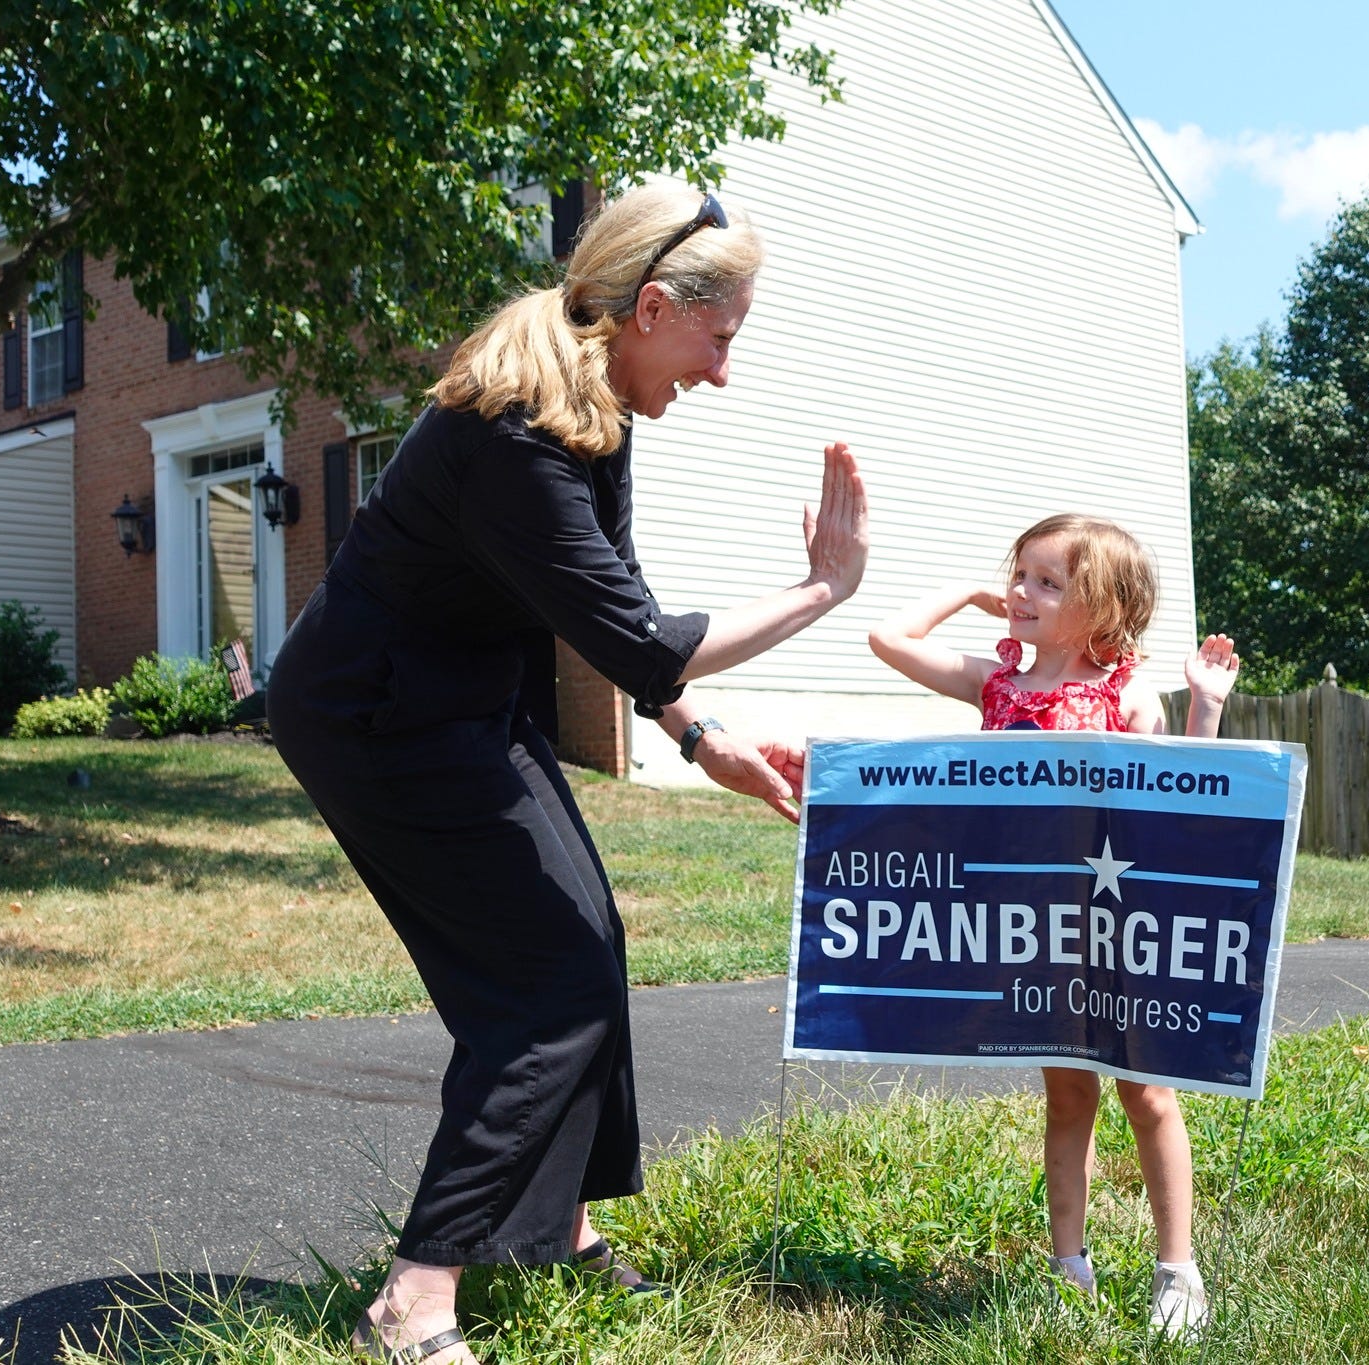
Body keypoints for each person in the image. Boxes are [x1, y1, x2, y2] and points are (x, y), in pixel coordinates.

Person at [267, 182, 868, 1365]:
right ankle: (414, 1298)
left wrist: (700, 740)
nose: (723, 369)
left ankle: (557, 1227)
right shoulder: (516, 435)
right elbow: (639, 640)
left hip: (459, 703)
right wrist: (821, 591)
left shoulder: (588, 413)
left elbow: (613, 614)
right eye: (721, 336)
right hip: (376, 718)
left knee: (586, 942)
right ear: (651, 308)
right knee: (544, 991)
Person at [867, 512, 1238, 1337]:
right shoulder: (995, 685)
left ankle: (1178, 1269)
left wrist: (1204, 708)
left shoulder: (1127, 695)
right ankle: (1069, 1267)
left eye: (1046, 582)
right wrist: (969, 594)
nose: (1020, 593)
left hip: (1118, 925)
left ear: (1101, 609)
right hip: (1035, 932)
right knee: (1068, 1095)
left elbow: (1184, 795)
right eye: (1018, 575)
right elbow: (886, 637)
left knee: (1147, 1092)